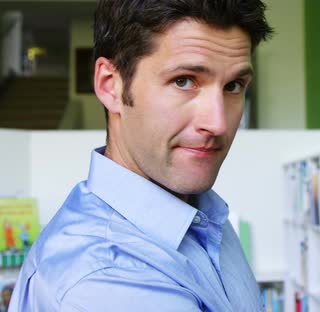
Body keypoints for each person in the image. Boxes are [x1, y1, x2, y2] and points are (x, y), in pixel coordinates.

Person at [9, 1, 273, 311]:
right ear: (111, 86)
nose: (218, 123)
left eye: (233, 85)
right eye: (183, 80)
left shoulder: (204, 214)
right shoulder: (104, 281)